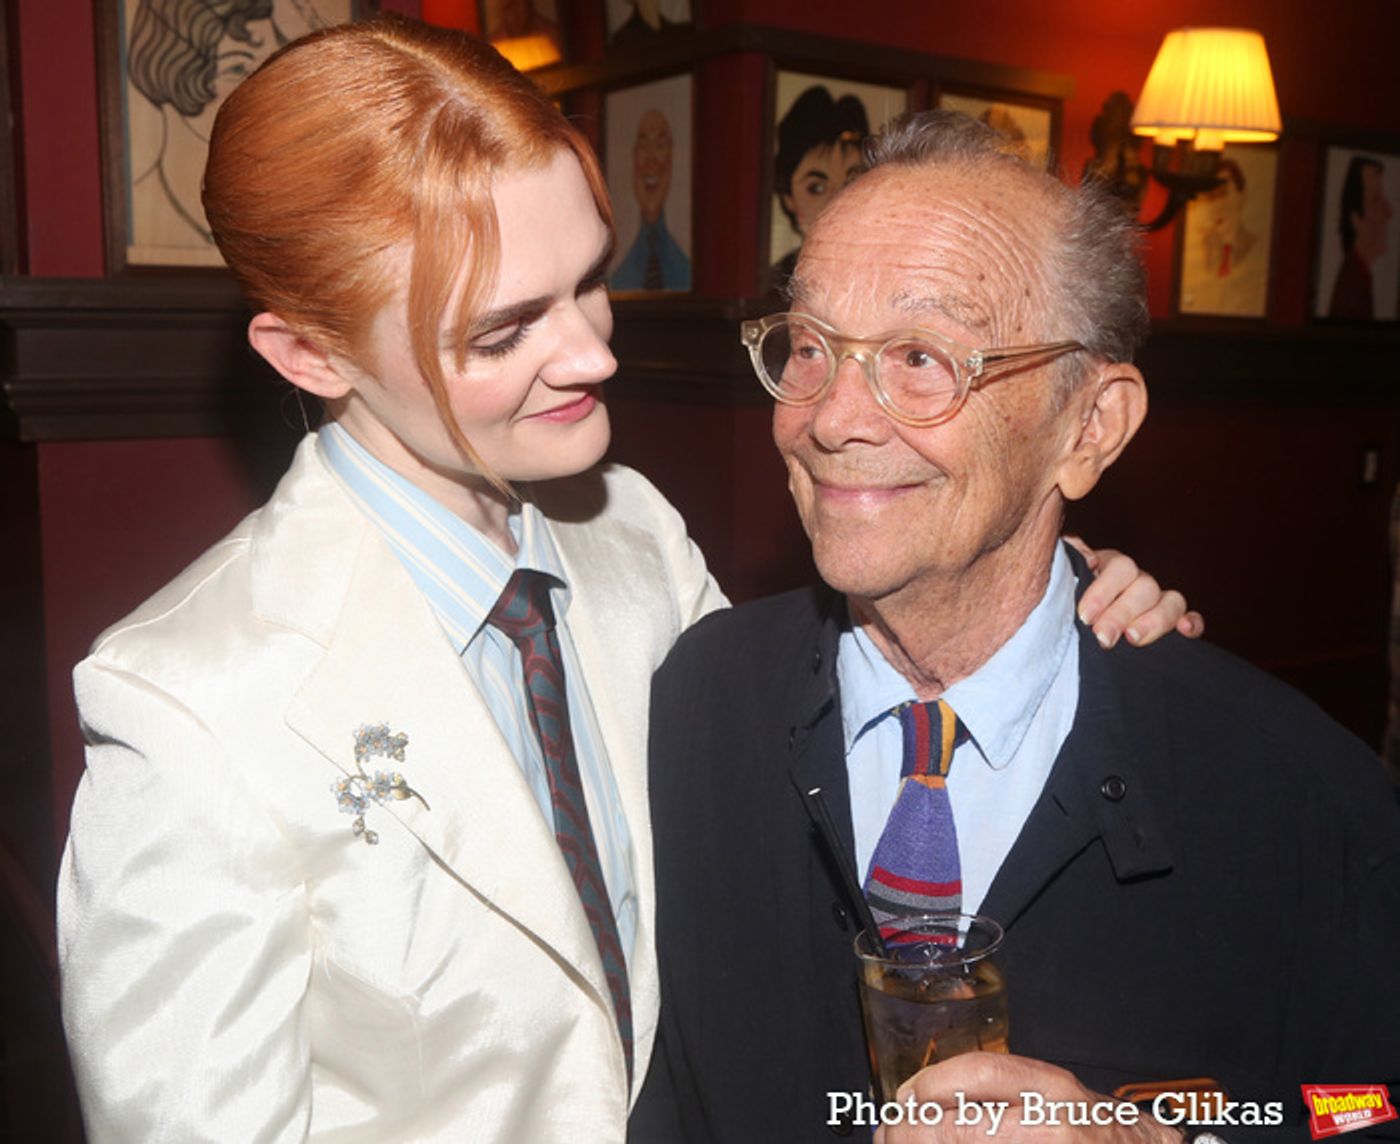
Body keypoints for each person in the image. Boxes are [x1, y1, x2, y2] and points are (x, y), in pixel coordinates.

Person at [57, 21, 1191, 1138]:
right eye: (503, 331)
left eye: (587, 279)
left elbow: (794, 749)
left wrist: (1046, 583)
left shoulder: (630, 534)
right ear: (310, 353)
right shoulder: (189, 701)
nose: (594, 352)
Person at [635, 110, 1400, 1143]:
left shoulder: (1295, 790)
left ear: (1086, 428)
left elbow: (1365, 1109)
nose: (828, 416)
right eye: (808, 345)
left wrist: (1169, 1137)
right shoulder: (698, 703)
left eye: (918, 356)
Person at [771, 85, 870, 287]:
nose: (837, 202)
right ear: (788, 198)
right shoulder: (776, 282)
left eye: (851, 184)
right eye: (816, 188)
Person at [610, 108, 691, 291]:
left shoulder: (685, 268)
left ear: (671, 160)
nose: (651, 161)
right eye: (644, 146)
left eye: (661, 145)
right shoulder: (615, 276)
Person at [1329, 155, 1393, 319]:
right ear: (1356, 220)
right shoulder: (1353, 285)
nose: (1389, 212)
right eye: (1377, 201)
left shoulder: (1361, 275)